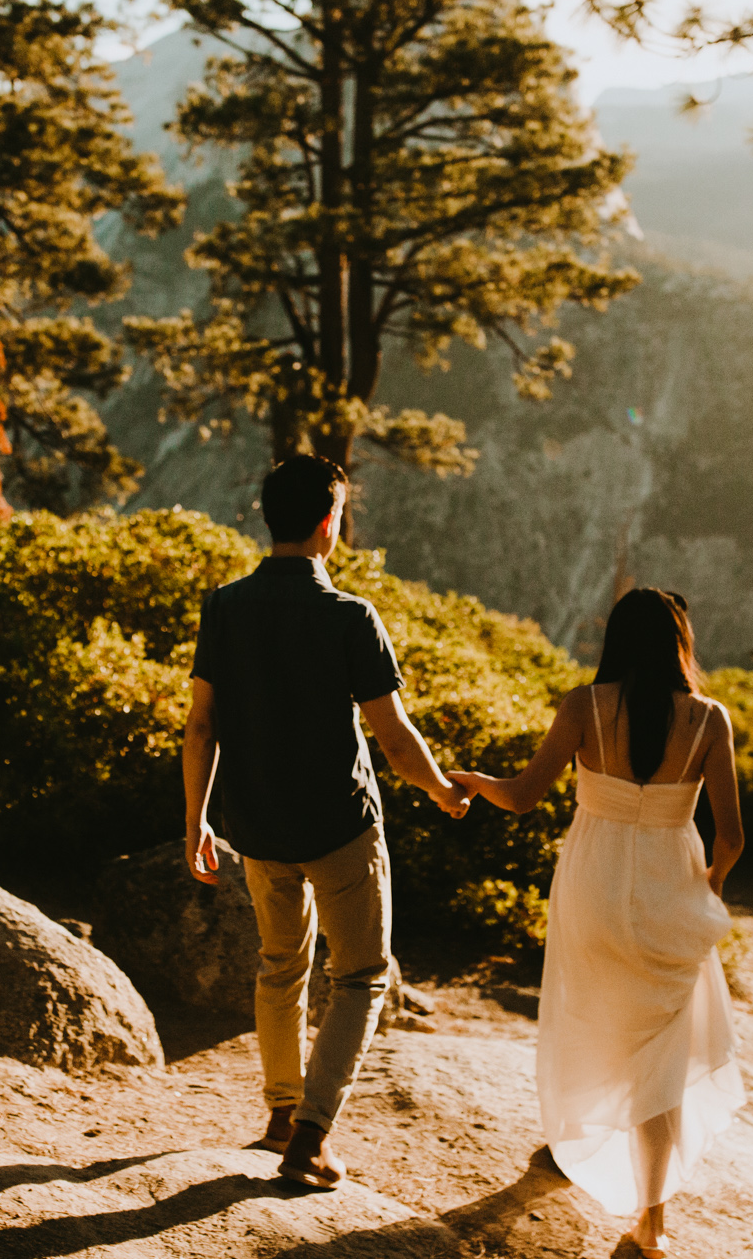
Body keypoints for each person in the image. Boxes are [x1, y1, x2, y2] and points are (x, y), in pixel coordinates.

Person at [183, 454, 471, 1191]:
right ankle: (310, 1135)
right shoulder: (349, 616)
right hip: (341, 828)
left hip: (257, 828)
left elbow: (200, 727)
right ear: (327, 522)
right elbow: (396, 739)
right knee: (362, 975)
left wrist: (198, 822)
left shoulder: (223, 605)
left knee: (280, 964)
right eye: (341, 513)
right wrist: (441, 789)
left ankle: (282, 1113)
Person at [451, 588, 744, 1258]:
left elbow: (524, 796)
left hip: (592, 882)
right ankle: (652, 1221)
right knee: (662, 1049)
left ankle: (575, 1133)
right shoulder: (709, 719)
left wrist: (472, 776)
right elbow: (730, 836)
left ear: (617, 640)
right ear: (679, 643)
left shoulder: (585, 705)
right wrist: (707, 890)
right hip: (672, 885)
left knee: (586, 1010)